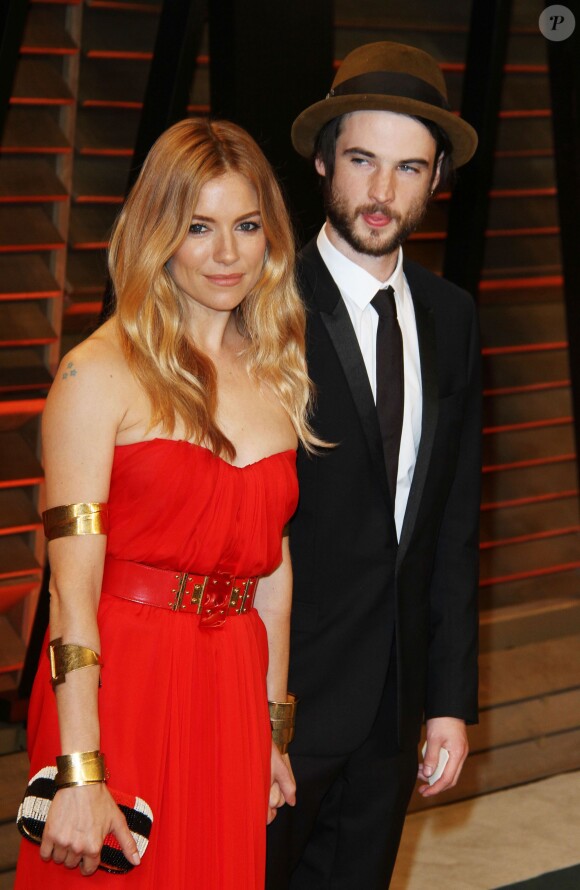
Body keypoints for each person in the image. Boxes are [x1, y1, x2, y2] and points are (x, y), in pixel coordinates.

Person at [15, 117, 320, 889]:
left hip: (230, 688)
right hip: (125, 686)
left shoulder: (279, 371)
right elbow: (69, 596)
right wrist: (80, 771)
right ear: (158, 234)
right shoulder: (97, 377)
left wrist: (272, 732)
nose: (228, 254)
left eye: (247, 226)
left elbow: (272, 579)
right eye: (199, 227)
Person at [266, 41, 482, 889]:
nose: (382, 193)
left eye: (408, 169)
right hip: (284, 704)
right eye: (362, 161)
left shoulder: (453, 316)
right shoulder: (263, 304)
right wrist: (253, 715)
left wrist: (449, 701)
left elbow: (453, 526)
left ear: (436, 182)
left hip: (395, 711)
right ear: (324, 160)